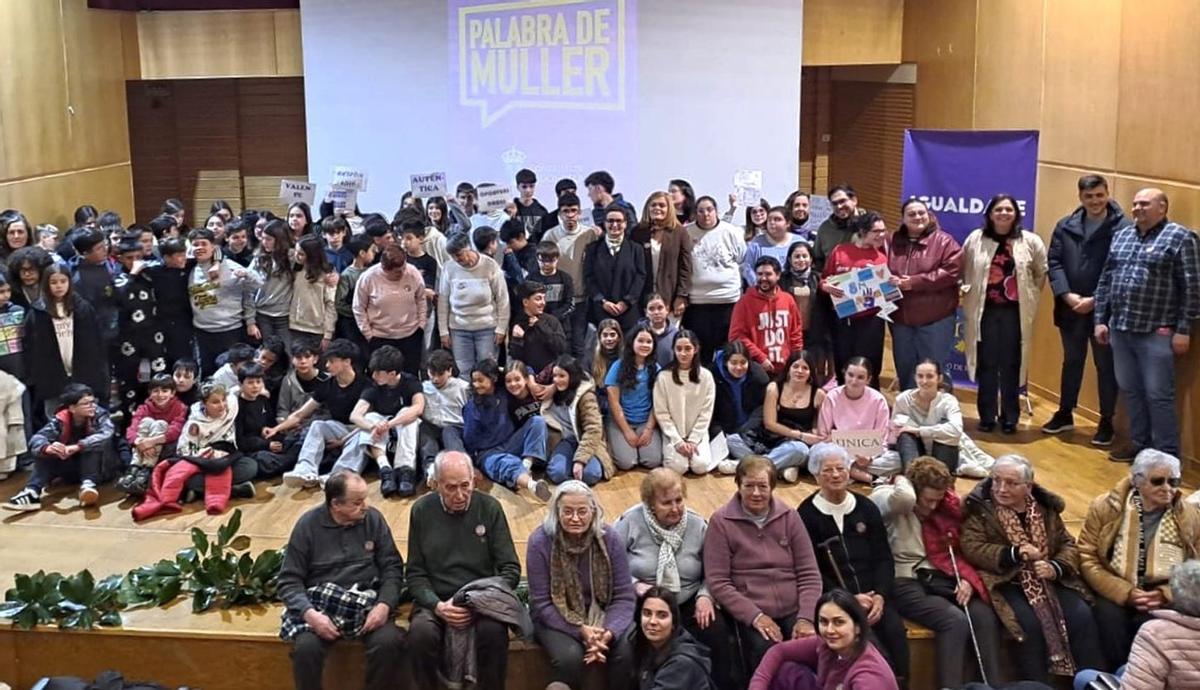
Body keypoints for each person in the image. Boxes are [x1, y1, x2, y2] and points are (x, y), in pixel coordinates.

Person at [961, 454, 1105, 681]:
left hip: (1048, 580)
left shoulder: (1045, 508)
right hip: (1005, 581)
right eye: (996, 480)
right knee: (1028, 625)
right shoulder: (979, 508)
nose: (1001, 488)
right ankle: (1037, 684)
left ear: (1028, 486)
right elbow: (972, 547)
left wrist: (1055, 567)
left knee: (1082, 615)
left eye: (1011, 483)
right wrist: (1014, 553)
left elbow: (1067, 543)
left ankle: (1092, 682)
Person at [870, 457, 1004, 688]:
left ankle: (990, 685)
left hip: (938, 575)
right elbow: (904, 498)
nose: (933, 506)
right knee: (954, 620)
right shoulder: (891, 497)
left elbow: (958, 551)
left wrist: (967, 580)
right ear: (914, 489)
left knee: (982, 612)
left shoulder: (944, 508)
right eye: (928, 500)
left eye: (938, 500)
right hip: (904, 578)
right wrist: (902, 477)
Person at [1094, 187, 1199, 461]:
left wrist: (1184, 329)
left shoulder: (1179, 237)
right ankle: (1139, 444)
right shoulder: (1122, 234)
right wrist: (1100, 320)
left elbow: (1192, 287)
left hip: (1158, 331)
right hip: (1120, 328)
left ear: (1162, 208)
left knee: (1158, 395)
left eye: (1144, 204)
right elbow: (1106, 280)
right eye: (1135, 203)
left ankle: (1165, 456)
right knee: (1130, 390)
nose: (1137, 208)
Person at [277, 471, 405, 690]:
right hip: (321, 608)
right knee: (306, 649)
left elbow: (392, 568)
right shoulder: (307, 526)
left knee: (389, 642)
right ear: (335, 504)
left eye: (365, 499)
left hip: (367, 604)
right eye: (357, 502)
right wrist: (312, 615)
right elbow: (289, 581)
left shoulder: (373, 519)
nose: (365, 506)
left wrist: (384, 605)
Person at [406, 451, 522, 690]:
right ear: (435, 484)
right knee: (420, 635)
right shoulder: (421, 511)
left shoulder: (490, 508)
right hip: (438, 601)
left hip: (481, 600)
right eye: (450, 488)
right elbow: (415, 574)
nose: (459, 495)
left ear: (474, 479)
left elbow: (510, 569)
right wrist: (437, 606)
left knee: (493, 632)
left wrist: (479, 601)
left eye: (465, 485)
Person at [1077, 448, 1200, 668]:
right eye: (1158, 481)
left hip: (1166, 592)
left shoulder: (1190, 514)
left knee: (1157, 626)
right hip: (1114, 586)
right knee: (1107, 619)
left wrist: (1165, 594)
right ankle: (1116, 677)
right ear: (1137, 481)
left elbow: (1197, 566)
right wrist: (1126, 593)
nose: (1167, 489)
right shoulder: (1105, 507)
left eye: (1174, 481)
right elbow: (1088, 557)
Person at [704, 455, 823, 681]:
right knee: (767, 654)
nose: (756, 493)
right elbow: (718, 582)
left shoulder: (790, 517)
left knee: (812, 648)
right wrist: (755, 616)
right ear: (738, 485)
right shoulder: (721, 522)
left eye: (762, 486)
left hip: (794, 608)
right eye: (749, 486)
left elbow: (809, 573)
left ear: (772, 487)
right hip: (752, 610)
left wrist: (806, 617)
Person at [798, 443, 909, 683]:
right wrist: (848, 600)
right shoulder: (806, 514)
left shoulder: (866, 507)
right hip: (837, 602)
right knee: (872, 650)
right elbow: (811, 571)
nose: (836, 475)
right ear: (816, 475)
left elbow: (883, 557)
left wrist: (880, 595)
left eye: (841, 468)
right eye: (827, 470)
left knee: (896, 634)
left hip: (875, 599)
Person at [615, 469, 731, 689]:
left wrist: (705, 595)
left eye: (679, 500)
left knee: (716, 631)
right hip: (644, 602)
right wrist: (633, 584)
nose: (676, 508)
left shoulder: (698, 525)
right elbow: (612, 563)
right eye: (666, 502)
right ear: (650, 504)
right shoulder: (629, 521)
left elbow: (714, 569)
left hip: (687, 600)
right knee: (625, 645)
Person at [1042, 175, 1128, 445]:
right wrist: (1067, 295)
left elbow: (1120, 267)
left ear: (1107, 194)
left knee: (1105, 366)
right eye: (1089, 197)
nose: (1095, 201)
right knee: (1072, 361)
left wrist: (1095, 299)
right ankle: (1065, 413)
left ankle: (1106, 421)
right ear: (1080, 197)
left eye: (1100, 195)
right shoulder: (1065, 226)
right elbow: (1053, 262)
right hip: (1070, 308)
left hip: (1105, 310)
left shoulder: (1124, 227)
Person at [527, 481, 635, 689]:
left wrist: (608, 632)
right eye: (567, 511)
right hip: (555, 617)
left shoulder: (610, 538)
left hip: (603, 613)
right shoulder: (539, 542)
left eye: (582, 511)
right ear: (556, 512)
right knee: (570, 658)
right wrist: (580, 630)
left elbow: (624, 595)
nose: (575, 518)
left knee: (624, 654)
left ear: (593, 512)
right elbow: (542, 603)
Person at [961, 194, 1049, 434]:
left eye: (1008, 209)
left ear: (1016, 214)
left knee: (1012, 364)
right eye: (998, 209)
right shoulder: (976, 239)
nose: (1003, 213)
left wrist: (1028, 296)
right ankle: (987, 416)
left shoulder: (1030, 241)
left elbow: (1041, 272)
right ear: (990, 214)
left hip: (1014, 313)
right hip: (985, 312)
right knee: (987, 364)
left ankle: (1010, 416)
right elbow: (964, 269)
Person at [748, 589, 899, 690]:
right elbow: (778, 651)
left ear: (858, 627)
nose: (830, 630)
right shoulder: (827, 643)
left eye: (839, 622)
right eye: (824, 622)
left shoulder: (868, 678)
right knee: (787, 671)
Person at [888, 198, 963, 389]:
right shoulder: (892, 241)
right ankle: (910, 413)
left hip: (935, 319)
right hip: (901, 319)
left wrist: (913, 283)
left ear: (929, 215)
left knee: (935, 372)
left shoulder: (944, 241)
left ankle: (939, 415)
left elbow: (952, 272)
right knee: (905, 370)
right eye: (911, 214)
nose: (917, 217)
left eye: (921, 212)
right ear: (903, 218)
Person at [4, 384, 115, 511]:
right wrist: (48, 448)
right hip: (71, 465)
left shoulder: (100, 415)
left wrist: (78, 446)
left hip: (100, 468)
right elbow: (37, 438)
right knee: (44, 450)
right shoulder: (60, 420)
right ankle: (32, 492)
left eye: (93, 402)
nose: (92, 406)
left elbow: (106, 434)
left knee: (92, 445)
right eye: (86, 404)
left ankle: (88, 486)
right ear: (72, 408)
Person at [275, 340, 368, 489]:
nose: (327, 366)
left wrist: (343, 440)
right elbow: (300, 414)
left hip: (359, 430)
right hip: (339, 428)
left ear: (347, 362)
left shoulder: (365, 385)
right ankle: (305, 469)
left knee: (362, 436)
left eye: (332, 362)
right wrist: (276, 429)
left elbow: (369, 421)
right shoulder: (327, 385)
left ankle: (339, 476)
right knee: (317, 425)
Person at [24, 263, 110, 419]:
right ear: (46, 284)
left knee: (89, 419)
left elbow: (97, 344)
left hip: (83, 372)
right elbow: (32, 348)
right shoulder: (38, 312)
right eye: (54, 282)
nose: (59, 286)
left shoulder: (83, 308)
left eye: (63, 281)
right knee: (56, 419)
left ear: (69, 282)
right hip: (52, 377)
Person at [462, 358, 551, 500]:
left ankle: (526, 466)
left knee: (537, 422)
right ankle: (532, 485)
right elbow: (468, 440)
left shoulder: (504, 390)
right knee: (506, 464)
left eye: (480, 380)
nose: (476, 385)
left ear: (493, 379)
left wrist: (532, 383)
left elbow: (523, 368)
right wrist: (472, 465)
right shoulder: (472, 407)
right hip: (488, 453)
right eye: (474, 381)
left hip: (511, 442)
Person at [820, 212, 890, 379]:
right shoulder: (840, 251)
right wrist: (825, 286)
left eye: (884, 230)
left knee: (869, 365)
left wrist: (890, 285)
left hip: (871, 321)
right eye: (876, 231)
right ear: (862, 231)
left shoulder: (881, 258)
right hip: (843, 319)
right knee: (843, 364)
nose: (882, 235)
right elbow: (824, 279)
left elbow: (886, 293)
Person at [347, 346, 424, 498]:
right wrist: (374, 426)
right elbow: (355, 415)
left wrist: (389, 425)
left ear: (392, 373)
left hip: (401, 427)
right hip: (382, 430)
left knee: (408, 416)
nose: (374, 376)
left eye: (378, 372)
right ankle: (385, 469)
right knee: (370, 418)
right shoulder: (373, 386)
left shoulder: (410, 382)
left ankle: (405, 470)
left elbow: (418, 408)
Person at [188, 227, 261, 378]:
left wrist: (246, 274)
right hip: (202, 334)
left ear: (213, 246)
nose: (199, 247)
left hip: (230, 332)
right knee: (207, 375)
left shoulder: (229, 266)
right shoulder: (188, 268)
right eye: (195, 244)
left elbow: (257, 284)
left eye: (203, 243)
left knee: (233, 376)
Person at [683, 195, 746, 363]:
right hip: (697, 303)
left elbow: (741, 258)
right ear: (695, 213)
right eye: (701, 211)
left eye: (709, 210)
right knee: (700, 351)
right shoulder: (686, 233)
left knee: (726, 351)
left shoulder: (731, 231)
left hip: (727, 301)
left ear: (716, 211)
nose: (706, 214)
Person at [437, 233, 510, 378]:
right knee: (464, 371)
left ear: (468, 248)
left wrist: (502, 328)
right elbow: (443, 302)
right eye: (453, 256)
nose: (457, 259)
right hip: (459, 329)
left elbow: (503, 299)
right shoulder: (449, 268)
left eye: (459, 254)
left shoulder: (490, 265)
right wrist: (443, 331)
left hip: (487, 328)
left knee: (487, 371)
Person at [653, 330, 723, 476]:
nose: (683, 354)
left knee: (701, 466)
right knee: (678, 468)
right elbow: (661, 413)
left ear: (695, 349)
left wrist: (693, 440)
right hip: (673, 433)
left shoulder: (706, 376)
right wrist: (677, 441)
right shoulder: (664, 376)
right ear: (673, 350)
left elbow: (706, 412)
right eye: (679, 349)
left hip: (697, 433)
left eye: (688, 349)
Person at [816, 357, 894, 483]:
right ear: (844, 374)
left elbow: (882, 439)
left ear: (868, 380)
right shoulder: (832, 397)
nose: (854, 381)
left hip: (869, 453)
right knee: (820, 454)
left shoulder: (878, 400)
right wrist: (839, 441)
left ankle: (849, 472)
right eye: (850, 375)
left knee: (895, 459)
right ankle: (871, 478)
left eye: (860, 377)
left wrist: (869, 456)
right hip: (839, 450)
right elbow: (823, 436)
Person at [353, 245, 427, 376]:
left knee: (410, 377)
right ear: (385, 269)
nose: (403, 272)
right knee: (381, 378)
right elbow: (358, 308)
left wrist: (421, 325)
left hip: (410, 335)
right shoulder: (368, 278)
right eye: (398, 272)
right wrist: (368, 334)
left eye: (404, 267)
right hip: (380, 337)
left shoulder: (412, 272)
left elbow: (421, 299)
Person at [542, 192, 599, 357]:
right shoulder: (550, 235)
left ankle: (578, 380)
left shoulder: (590, 234)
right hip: (558, 300)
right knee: (561, 344)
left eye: (573, 210)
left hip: (581, 298)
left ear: (580, 212)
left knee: (579, 345)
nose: (570, 215)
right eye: (565, 211)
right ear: (560, 213)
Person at [543, 355, 613, 486]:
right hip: (564, 439)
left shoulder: (586, 395)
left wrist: (580, 460)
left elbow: (593, 428)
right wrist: (551, 386)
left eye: (562, 376)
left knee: (591, 474)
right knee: (557, 473)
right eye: (555, 376)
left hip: (585, 439)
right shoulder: (552, 391)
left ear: (572, 375)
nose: (557, 380)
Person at [628, 587, 716, 690]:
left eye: (662, 615)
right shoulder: (644, 647)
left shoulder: (682, 663)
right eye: (647, 613)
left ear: (673, 622)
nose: (652, 621)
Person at [730, 256, 804, 375]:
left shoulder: (788, 300)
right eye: (759, 274)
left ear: (778, 275)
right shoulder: (744, 302)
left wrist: (796, 359)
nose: (763, 278)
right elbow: (736, 336)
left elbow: (796, 333)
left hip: (786, 366)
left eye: (768, 274)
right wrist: (761, 358)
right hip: (758, 367)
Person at [760, 350, 826, 483]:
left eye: (805, 368)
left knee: (800, 450)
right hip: (774, 437)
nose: (799, 371)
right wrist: (799, 435)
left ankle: (756, 469)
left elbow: (818, 425)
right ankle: (784, 466)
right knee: (734, 441)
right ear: (788, 368)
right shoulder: (774, 388)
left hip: (800, 444)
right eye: (795, 366)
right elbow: (769, 423)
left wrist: (811, 434)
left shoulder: (819, 394)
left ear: (811, 372)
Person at [118, 373, 187, 497]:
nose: (160, 395)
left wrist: (151, 442)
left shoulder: (180, 407)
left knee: (159, 424)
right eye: (156, 391)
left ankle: (146, 471)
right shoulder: (143, 408)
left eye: (165, 391)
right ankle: (134, 469)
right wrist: (139, 442)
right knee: (146, 422)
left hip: (166, 446)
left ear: (172, 393)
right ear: (150, 393)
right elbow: (132, 429)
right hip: (142, 448)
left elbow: (175, 431)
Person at [605, 325, 663, 470]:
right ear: (632, 342)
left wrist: (649, 429)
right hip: (621, 421)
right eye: (641, 341)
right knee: (627, 463)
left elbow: (658, 403)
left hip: (646, 421)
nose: (645, 345)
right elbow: (614, 403)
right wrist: (626, 430)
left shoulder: (656, 369)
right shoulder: (617, 366)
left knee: (652, 461)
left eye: (649, 342)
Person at [583, 204, 646, 333]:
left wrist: (626, 302)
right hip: (601, 312)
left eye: (619, 221)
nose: (615, 225)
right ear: (604, 223)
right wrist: (602, 302)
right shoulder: (592, 249)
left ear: (625, 223)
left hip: (629, 313)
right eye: (610, 221)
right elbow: (589, 278)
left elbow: (641, 277)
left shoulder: (636, 249)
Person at [893, 359, 964, 473]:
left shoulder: (949, 401)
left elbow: (956, 430)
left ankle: (939, 478)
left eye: (930, 376)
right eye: (920, 376)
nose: (924, 381)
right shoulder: (903, 399)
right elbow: (896, 432)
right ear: (915, 378)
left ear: (939, 378)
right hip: (914, 451)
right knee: (905, 434)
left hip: (943, 452)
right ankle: (913, 475)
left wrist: (919, 430)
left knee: (947, 430)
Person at [630, 191, 692, 321]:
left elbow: (685, 268)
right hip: (643, 298)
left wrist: (681, 296)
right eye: (653, 205)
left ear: (669, 208)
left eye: (662, 205)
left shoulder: (680, 232)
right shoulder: (637, 233)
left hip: (670, 297)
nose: (657, 208)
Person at [708, 340, 769, 463]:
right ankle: (762, 464)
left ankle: (746, 464)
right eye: (734, 363)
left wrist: (747, 428)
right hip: (725, 430)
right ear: (726, 362)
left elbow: (762, 407)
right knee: (727, 444)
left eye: (743, 362)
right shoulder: (712, 375)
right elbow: (711, 411)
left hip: (752, 429)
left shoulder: (758, 376)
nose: (739, 367)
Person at [251, 220, 296, 349]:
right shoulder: (259, 257)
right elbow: (249, 283)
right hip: (262, 313)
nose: (264, 242)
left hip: (284, 314)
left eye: (269, 239)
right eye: (263, 239)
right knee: (268, 351)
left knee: (289, 350)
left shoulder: (291, 257)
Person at [289, 235, 337, 353]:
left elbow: (330, 304)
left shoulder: (326, 275)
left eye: (301, 254)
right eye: (296, 251)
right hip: (294, 326)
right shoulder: (295, 269)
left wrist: (328, 334)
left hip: (317, 329)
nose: (296, 256)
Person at [509, 280, 568, 374]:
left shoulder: (551, 320)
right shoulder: (517, 323)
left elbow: (561, 347)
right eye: (538, 299)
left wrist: (540, 325)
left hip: (551, 373)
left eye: (544, 298)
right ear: (525, 302)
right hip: (527, 374)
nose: (543, 303)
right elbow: (515, 357)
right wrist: (517, 340)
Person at [812, 185, 868, 273]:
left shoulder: (869, 224)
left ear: (854, 200)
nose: (839, 206)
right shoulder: (825, 229)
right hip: (833, 282)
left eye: (842, 201)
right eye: (834, 203)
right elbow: (817, 259)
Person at [742, 206, 797, 288]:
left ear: (788, 223)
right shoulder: (756, 243)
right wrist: (759, 286)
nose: (772, 222)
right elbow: (748, 269)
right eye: (769, 219)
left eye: (777, 219)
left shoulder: (798, 241)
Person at [780, 242, 818, 346]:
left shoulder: (818, 278)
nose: (801, 260)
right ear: (789, 259)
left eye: (805, 256)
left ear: (810, 259)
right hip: (788, 331)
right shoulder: (781, 279)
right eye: (797, 256)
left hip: (814, 332)